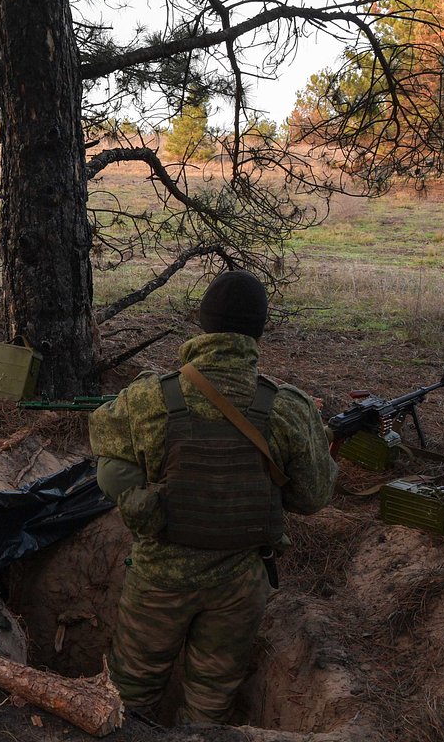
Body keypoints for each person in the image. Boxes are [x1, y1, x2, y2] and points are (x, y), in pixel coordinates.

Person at [88, 270, 336, 725]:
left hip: (159, 577)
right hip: (240, 584)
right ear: (259, 329)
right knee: (211, 703)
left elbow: (110, 468)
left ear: (203, 324)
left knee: (129, 696)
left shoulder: (147, 398)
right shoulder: (288, 408)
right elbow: (312, 498)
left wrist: (148, 504)